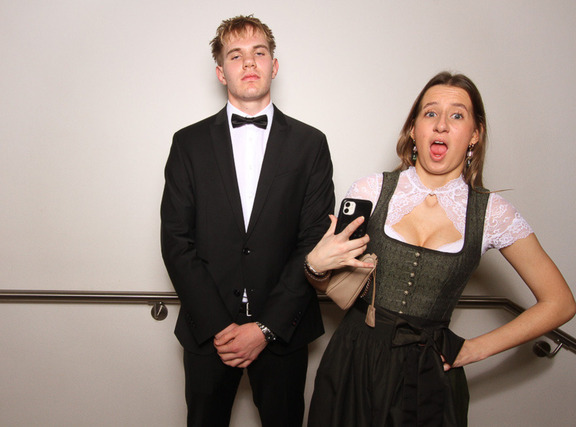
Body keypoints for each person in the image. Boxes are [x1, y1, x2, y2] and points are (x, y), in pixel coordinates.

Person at [304, 71, 576, 426]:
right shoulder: (371, 190)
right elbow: (333, 285)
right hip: (354, 358)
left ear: (475, 134)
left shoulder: (492, 213)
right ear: (413, 129)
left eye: (457, 115)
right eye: (430, 113)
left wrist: (475, 349)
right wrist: (314, 266)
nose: (441, 124)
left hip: (429, 373)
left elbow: (560, 303)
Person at [160, 15, 334, 427]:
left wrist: (265, 328)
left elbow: (314, 241)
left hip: (283, 331)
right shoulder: (187, 144)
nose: (250, 62)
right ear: (221, 72)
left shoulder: (311, 144)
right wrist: (220, 327)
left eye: (259, 52)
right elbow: (176, 241)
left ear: (275, 65)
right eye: (236, 55)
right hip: (209, 332)